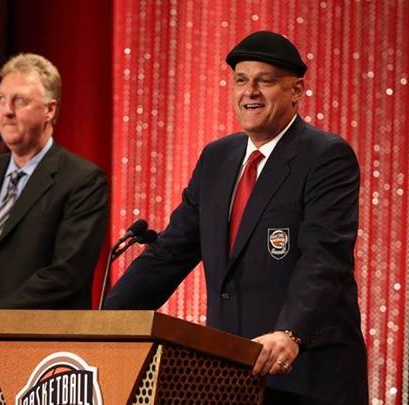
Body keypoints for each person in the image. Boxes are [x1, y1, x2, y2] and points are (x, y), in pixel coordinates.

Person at [105, 31, 368, 404]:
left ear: (296, 90)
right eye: (241, 80)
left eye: (265, 81)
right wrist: (101, 324)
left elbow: (323, 257)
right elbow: (170, 252)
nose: (250, 92)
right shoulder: (217, 158)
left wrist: (290, 333)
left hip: (305, 373)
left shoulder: (325, 156)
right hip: (230, 375)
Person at [0, 53, 108, 405]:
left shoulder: (82, 181)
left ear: (50, 110)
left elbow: (65, 274)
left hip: (42, 368)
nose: (7, 111)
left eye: (20, 101)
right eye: (1, 99)